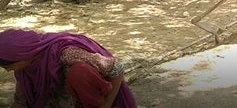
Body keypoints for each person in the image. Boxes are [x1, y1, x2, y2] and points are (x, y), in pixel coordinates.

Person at [0, 28, 137, 108]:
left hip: (93, 99)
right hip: (62, 101)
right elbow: (21, 100)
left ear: (22, 54)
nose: (7, 70)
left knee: (79, 72)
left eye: (10, 65)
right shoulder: (26, 66)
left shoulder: (67, 53)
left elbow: (117, 69)